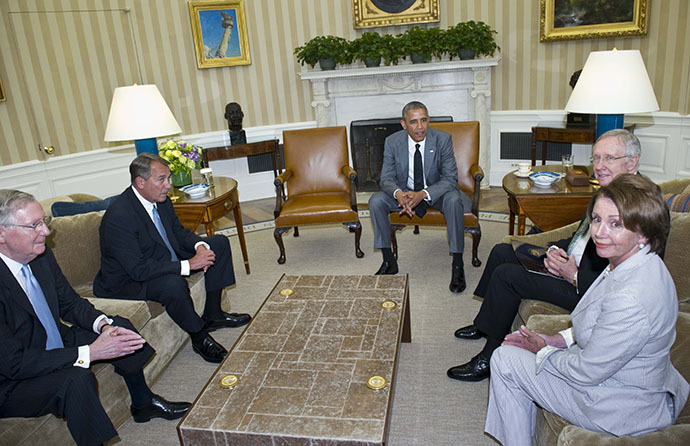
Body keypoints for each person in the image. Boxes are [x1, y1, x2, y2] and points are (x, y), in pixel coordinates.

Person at [485, 174, 689, 445]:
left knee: (504, 360)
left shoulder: (632, 296)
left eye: (615, 223)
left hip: (619, 407)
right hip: (628, 385)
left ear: (643, 231)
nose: (599, 233)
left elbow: (587, 371)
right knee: (511, 353)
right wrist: (558, 339)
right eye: (596, 219)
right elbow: (600, 321)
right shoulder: (637, 260)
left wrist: (542, 349)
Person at [0, 190, 190, 446]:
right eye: (34, 225)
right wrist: (90, 352)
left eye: (44, 221)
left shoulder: (39, 256)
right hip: (11, 379)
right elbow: (13, 363)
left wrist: (103, 325)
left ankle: (143, 403)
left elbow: (69, 302)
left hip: (50, 340)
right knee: (77, 379)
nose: (45, 232)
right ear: (2, 233)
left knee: (118, 326)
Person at [448, 128, 641, 382]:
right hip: (570, 264)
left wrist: (573, 275)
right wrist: (554, 250)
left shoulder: (639, 204)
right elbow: (580, 235)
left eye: (609, 159)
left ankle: (488, 357)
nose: (600, 166)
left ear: (632, 162)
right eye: (596, 158)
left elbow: (628, 276)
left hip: (585, 290)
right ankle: (486, 323)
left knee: (507, 276)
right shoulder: (607, 191)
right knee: (502, 251)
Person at [94, 153, 250, 364]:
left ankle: (214, 314)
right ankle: (199, 337)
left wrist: (200, 246)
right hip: (128, 281)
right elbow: (138, 269)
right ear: (140, 182)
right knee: (173, 284)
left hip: (160, 258)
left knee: (218, 243)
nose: (168, 185)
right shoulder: (119, 217)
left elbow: (178, 231)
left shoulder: (161, 199)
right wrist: (188, 264)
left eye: (168, 178)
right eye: (162, 179)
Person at [368, 101, 472, 292]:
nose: (420, 127)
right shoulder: (392, 142)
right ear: (404, 124)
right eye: (414, 122)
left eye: (424, 120)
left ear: (428, 120)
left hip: (436, 192)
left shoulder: (442, 139)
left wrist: (423, 194)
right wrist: (399, 194)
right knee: (375, 201)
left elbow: (450, 179)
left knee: (454, 200)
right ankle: (388, 260)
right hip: (405, 192)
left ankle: (458, 264)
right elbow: (386, 179)